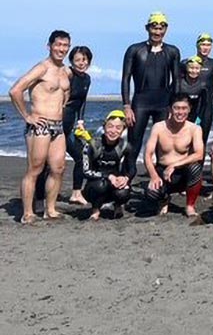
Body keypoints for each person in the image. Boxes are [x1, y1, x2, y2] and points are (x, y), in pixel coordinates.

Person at [9, 30, 72, 222]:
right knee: (35, 169)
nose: (62, 49)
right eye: (58, 44)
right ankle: (27, 213)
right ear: (49, 46)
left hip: (58, 127)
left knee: (58, 168)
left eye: (65, 45)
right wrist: (27, 116)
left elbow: (65, 95)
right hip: (40, 126)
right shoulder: (42, 68)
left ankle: (50, 210)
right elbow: (15, 90)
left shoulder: (66, 71)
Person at [121, 12, 181, 172]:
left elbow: (176, 80)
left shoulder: (172, 51)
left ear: (166, 30)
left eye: (161, 29)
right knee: (134, 142)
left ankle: (162, 179)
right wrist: (127, 106)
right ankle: (127, 176)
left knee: (164, 143)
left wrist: (174, 106)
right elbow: (126, 78)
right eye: (154, 28)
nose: (157, 32)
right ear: (147, 28)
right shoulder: (134, 50)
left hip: (163, 103)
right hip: (140, 102)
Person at [143, 95, 205, 218]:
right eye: (176, 108)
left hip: (183, 173)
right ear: (170, 109)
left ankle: (190, 206)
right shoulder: (159, 127)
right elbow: (147, 155)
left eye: (184, 108)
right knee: (151, 193)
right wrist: (154, 176)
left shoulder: (194, 129)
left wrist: (174, 165)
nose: (180, 112)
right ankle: (164, 199)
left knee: (196, 168)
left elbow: (199, 154)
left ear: (189, 109)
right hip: (163, 172)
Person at [80, 110, 135, 221]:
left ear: (123, 130)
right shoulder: (92, 145)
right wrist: (108, 176)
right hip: (95, 185)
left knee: (124, 191)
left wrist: (125, 178)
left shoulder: (125, 146)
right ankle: (95, 210)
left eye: (118, 128)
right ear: (104, 127)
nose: (113, 131)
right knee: (101, 185)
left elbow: (132, 169)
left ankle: (117, 206)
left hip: (114, 185)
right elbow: (85, 171)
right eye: (110, 126)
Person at [64, 45, 94, 206]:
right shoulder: (67, 75)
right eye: (77, 60)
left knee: (82, 156)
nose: (81, 63)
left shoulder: (87, 78)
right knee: (49, 164)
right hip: (57, 124)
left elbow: (82, 101)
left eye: (84, 59)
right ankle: (40, 199)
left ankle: (76, 193)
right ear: (71, 61)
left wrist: (80, 121)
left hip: (70, 126)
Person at [185, 33, 213, 140]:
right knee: (185, 138)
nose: (205, 48)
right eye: (203, 44)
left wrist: (209, 99)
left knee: (202, 138)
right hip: (189, 104)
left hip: (206, 106)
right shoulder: (186, 63)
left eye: (208, 45)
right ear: (197, 45)